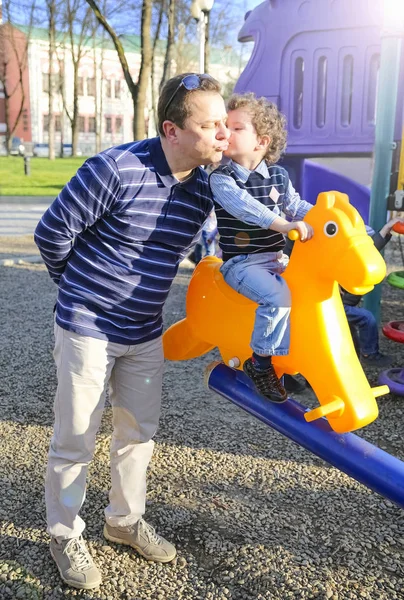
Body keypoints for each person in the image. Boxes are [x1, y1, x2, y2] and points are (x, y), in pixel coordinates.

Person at [34, 72, 229, 590]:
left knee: (137, 434)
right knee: (76, 436)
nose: (223, 135)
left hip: (144, 331)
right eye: (210, 126)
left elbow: (204, 251)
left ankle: (122, 521)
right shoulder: (113, 170)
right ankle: (63, 532)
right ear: (172, 130)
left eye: (224, 124)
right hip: (87, 327)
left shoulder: (207, 186)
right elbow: (52, 232)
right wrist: (77, 290)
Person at [209, 92, 314, 403]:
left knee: (308, 294)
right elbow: (245, 208)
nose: (226, 133)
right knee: (277, 297)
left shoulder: (280, 177)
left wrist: (341, 223)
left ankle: (286, 360)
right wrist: (283, 225)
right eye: (225, 127)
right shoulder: (223, 178)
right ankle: (261, 364)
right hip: (242, 263)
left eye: (237, 128)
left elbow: (296, 206)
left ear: (262, 142)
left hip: (275, 259)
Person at [342, 216, 404, 367]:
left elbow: (375, 243)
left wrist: (390, 225)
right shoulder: (346, 258)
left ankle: (355, 362)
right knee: (366, 318)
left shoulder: (362, 255)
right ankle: (370, 354)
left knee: (351, 338)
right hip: (334, 306)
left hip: (343, 305)